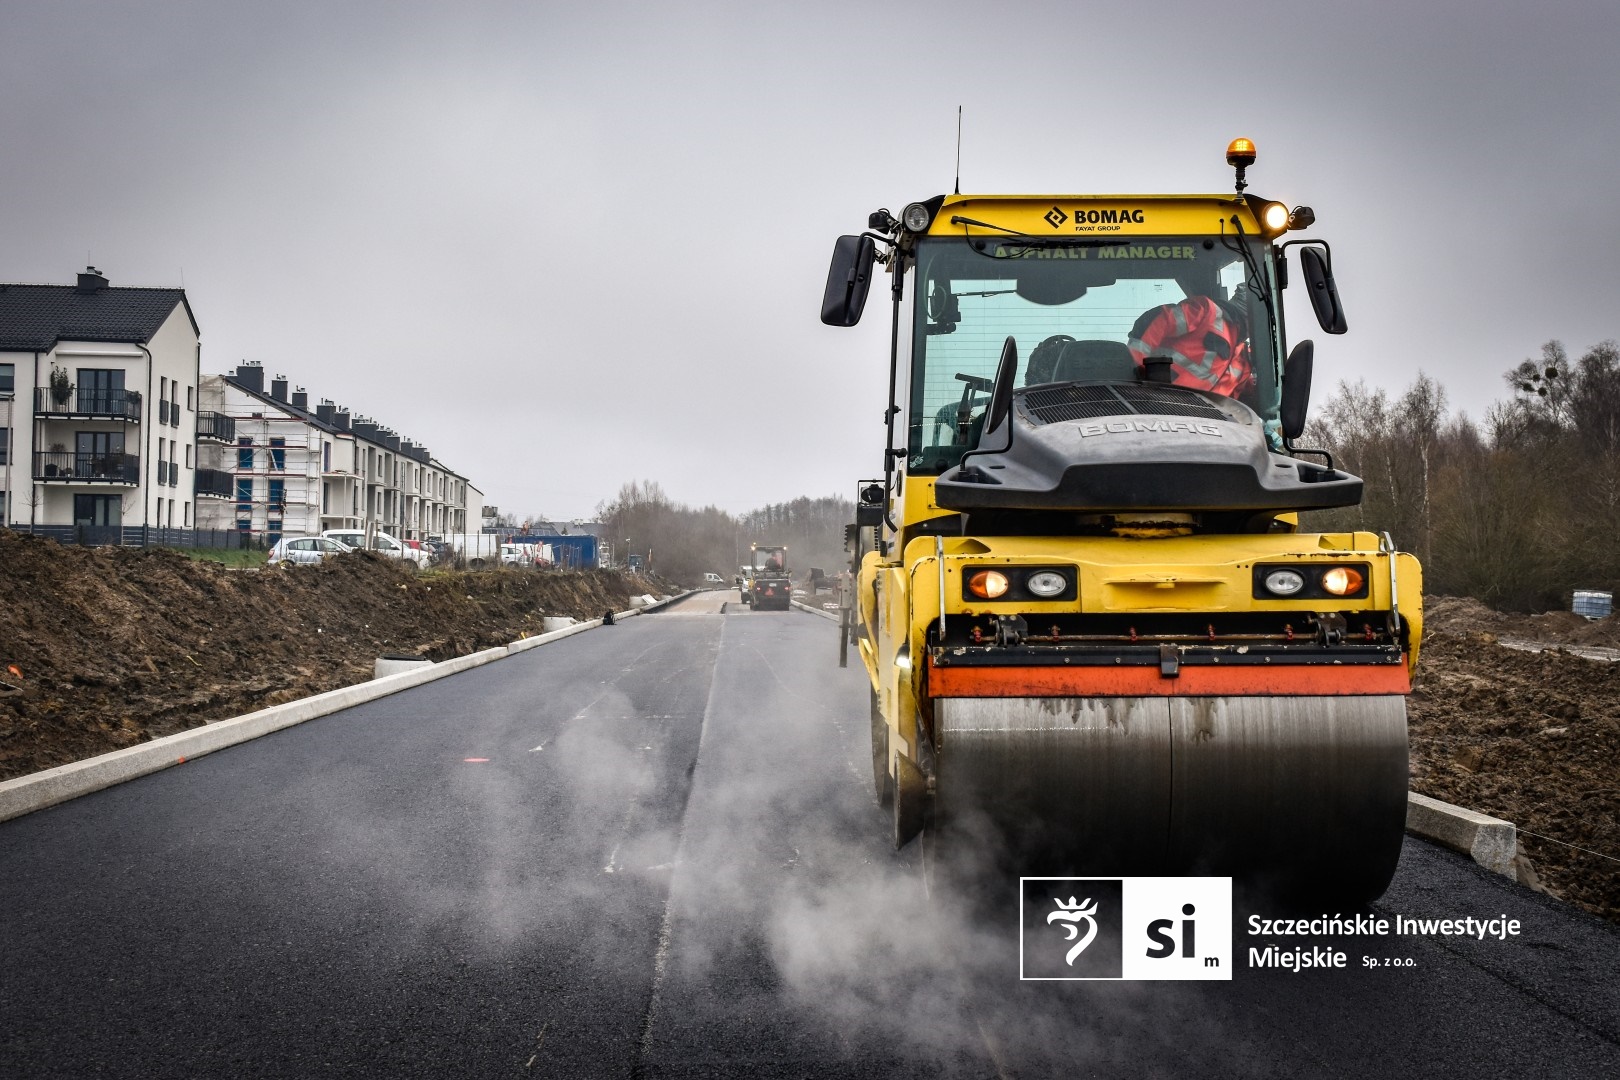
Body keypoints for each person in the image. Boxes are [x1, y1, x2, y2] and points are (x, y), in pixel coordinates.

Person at [1127, 295, 1255, 400]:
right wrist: (1136, 375)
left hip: (1203, 424)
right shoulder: (1206, 312)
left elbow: (1237, 400)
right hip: (1155, 402)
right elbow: (1155, 323)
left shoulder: (1243, 357)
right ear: (1250, 314)